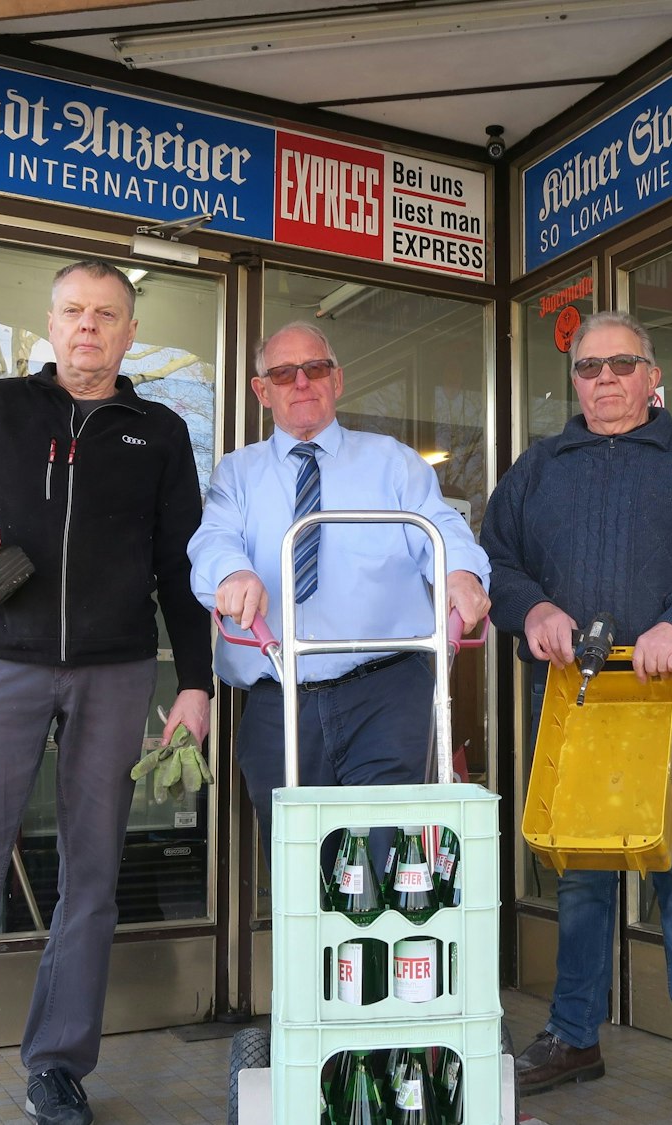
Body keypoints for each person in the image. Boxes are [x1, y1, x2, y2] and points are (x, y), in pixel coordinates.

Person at [0, 260, 213, 1125]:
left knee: (91, 875)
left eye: (106, 314)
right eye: (72, 312)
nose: (88, 327)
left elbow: (181, 568)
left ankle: (56, 1065)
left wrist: (197, 683)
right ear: (50, 326)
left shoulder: (160, 431)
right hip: (3, 663)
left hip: (116, 669)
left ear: (131, 333)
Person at [481, 310, 672, 1125]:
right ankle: (574, 1034)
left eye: (620, 365)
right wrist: (530, 609)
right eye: (587, 367)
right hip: (575, 699)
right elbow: (494, 558)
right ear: (573, 379)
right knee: (583, 880)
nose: (602, 380)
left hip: (669, 698)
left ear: (652, 375)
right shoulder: (539, 466)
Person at [190, 320, 489, 852]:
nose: (301, 382)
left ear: (338, 380)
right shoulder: (236, 473)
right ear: (262, 391)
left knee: (393, 859)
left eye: (315, 368)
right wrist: (232, 574)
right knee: (301, 869)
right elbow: (213, 541)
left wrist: (461, 574)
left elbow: (442, 528)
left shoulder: (393, 461)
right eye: (283, 373)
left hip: (386, 691)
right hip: (279, 695)